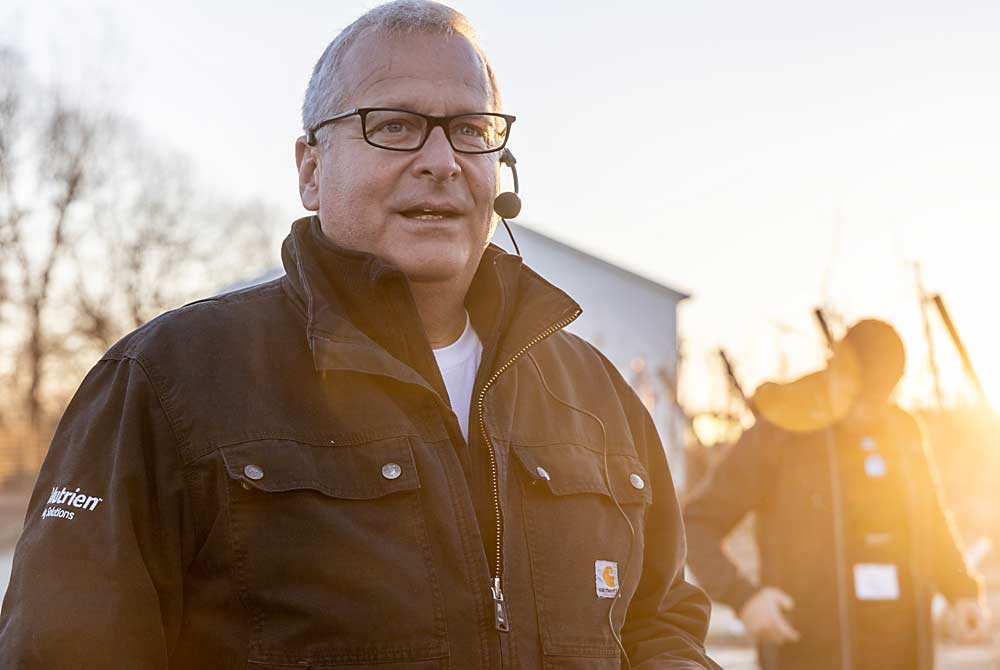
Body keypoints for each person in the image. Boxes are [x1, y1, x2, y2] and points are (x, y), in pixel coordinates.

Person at [0, 2, 721, 667]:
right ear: (311, 169)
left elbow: (660, 622)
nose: (441, 162)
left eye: (470, 131)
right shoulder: (165, 384)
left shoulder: (597, 400)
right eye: (395, 125)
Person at [683, 319, 990, 670]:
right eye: (858, 394)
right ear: (836, 366)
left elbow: (932, 522)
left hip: (902, 655)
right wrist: (744, 598)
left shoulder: (903, 432)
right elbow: (695, 525)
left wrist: (961, 593)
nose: (867, 409)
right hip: (808, 653)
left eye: (879, 397)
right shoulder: (780, 433)